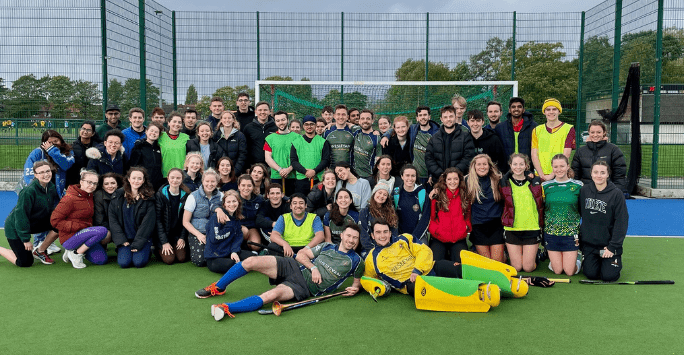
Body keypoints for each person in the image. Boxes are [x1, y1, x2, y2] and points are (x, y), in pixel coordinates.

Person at [195, 224, 363, 321]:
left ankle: (225, 308)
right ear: (342, 236)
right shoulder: (327, 246)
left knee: (269, 296)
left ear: (358, 240)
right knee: (250, 261)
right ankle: (218, 288)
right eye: (348, 236)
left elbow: (357, 284)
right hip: (294, 266)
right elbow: (302, 255)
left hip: (303, 287)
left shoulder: (356, 262)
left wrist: (355, 289)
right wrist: (313, 268)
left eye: (355, 238)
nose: (351, 240)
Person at [364, 219, 461, 295]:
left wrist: (417, 270)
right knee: (437, 288)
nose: (382, 235)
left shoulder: (404, 238)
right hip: (411, 283)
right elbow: (367, 278)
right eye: (378, 232)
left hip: (430, 268)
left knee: (459, 269)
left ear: (390, 233)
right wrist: (376, 285)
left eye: (385, 232)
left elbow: (424, 250)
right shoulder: (371, 258)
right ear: (372, 235)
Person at [1, 162, 59, 267]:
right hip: (15, 227)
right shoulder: (28, 192)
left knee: (60, 224)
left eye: (47, 171)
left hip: (34, 222)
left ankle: (40, 251)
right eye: (41, 172)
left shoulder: (51, 187)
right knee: (25, 262)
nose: (46, 174)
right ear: (35, 175)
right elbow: (21, 216)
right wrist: (25, 240)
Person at [579, 161, 628, 282]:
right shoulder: (584, 191)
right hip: (590, 245)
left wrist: (612, 247)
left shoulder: (616, 194)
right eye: (595, 172)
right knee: (591, 274)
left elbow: (621, 222)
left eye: (602, 172)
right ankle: (585, 257)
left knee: (608, 277)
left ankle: (613, 259)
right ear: (591, 174)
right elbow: (580, 213)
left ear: (608, 174)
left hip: (608, 245)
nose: (599, 175)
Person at [49, 169, 109, 268]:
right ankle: (76, 253)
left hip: (85, 235)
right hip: (69, 238)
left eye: (95, 183)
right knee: (102, 231)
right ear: (81, 182)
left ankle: (73, 252)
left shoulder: (89, 196)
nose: (92, 185)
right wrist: (79, 226)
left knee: (101, 260)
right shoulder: (69, 198)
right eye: (89, 182)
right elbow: (55, 220)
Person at [500, 153, 544, 272]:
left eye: (521, 164)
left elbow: (541, 203)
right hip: (512, 229)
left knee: (528, 268)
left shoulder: (534, 182)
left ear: (526, 166)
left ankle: (537, 255)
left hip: (531, 228)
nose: (518, 167)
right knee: (517, 268)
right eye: (515, 164)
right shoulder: (505, 183)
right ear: (510, 165)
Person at [542, 154, 583, 276]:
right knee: (558, 271)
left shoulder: (578, 186)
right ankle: (556, 260)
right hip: (551, 232)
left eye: (562, 166)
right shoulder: (545, 186)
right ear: (552, 168)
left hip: (571, 233)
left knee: (569, 272)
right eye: (556, 166)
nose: (559, 169)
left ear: (568, 166)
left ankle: (579, 258)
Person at [108, 167, 157, 268]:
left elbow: (148, 224)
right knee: (124, 263)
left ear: (143, 180)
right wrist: (121, 240)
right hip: (125, 239)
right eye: (134, 178)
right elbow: (113, 220)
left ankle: (147, 250)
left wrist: (139, 243)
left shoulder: (148, 198)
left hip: (142, 239)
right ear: (129, 179)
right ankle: (124, 251)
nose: (136, 181)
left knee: (138, 263)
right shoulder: (118, 195)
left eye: (139, 178)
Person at [466, 154, 505, 263]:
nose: (482, 167)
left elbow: (515, 176)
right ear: (474, 166)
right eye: (479, 164)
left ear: (489, 166)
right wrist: (435, 189)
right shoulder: (467, 180)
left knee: (497, 264)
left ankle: (504, 254)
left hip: (496, 225)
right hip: (479, 226)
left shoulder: (498, 179)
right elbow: (449, 182)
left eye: (485, 164)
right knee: (487, 265)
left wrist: (528, 173)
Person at [571, 120, 628, 194]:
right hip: (586, 191)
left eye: (598, 132)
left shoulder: (613, 150)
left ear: (604, 132)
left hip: (607, 192)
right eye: (592, 132)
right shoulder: (580, 151)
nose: (595, 135)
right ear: (589, 132)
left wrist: (616, 192)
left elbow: (619, 175)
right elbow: (575, 175)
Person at [204, 190, 254, 274]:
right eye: (228, 202)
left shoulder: (236, 217)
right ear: (224, 204)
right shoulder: (216, 217)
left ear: (238, 203)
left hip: (229, 252)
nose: (231, 204)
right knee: (233, 264)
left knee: (253, 258)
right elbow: (215, 238)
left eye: (234, 201)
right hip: (215, 256)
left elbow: (238, 237)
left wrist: (234, 251)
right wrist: (229, 225)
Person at [428, 168, 471, 263]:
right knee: (435, 264)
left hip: (458, 238)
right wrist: (435, 230)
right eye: (449, 179)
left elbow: (468, 214)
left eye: (455, 179)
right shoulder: (437, 195)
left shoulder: (464, 195)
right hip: (439, 237)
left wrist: (466, 227)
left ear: (460, 180)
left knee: (461, 265)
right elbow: (431, 217)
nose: (453, 182)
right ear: (445, 181)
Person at [183, 169, 224, 267]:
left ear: (217, 182)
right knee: (200, 261)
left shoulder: (221, 196)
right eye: (207, 181)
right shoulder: (193, 196)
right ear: (203, 181)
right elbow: (185, 222)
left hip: (216, 232)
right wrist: (199, 235)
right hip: (199, 232)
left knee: (220, 256)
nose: (210, 184)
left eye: (213, 181)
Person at [425, 105, 476, 181]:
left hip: (459, 180)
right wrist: (440, 174)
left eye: (451, 116)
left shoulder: (465, 137)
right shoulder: (434, 138)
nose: (448, 119)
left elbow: (468, 157)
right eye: (445, 117)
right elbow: (429, 159)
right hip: (440, 180)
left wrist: (454, 173)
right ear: (441, 119)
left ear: (455, 117)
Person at [267, 192, 325, 257]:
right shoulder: (283, 217)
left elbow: (320, 236)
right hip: (288, 249)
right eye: (295, 203)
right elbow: (274, 236)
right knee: (272, 246)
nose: (298, 206)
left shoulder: (314, 218)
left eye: (301, 203)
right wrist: (285, 244)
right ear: (291, 206)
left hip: (308, 248)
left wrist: (306, 248)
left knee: (322, 247)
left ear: (306, 205)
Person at [531, 98, 575, 181]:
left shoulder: (569, 129)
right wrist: (541, 175)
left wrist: (552, 174)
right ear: (544, 112)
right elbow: (534, 154)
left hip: (560, 174)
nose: (551, 112)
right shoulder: (537, 130)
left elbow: (567, 154)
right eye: (548, 109)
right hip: (540, 174)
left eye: (554, 109)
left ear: (559, 111)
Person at [24, 130, 75, 199]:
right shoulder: (37, 153)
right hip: (40, 192)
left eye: (56, 141)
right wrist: (35, 190)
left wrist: (52, 151)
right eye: (50, 143)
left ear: (61, 140)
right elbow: (28, 173)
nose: (53, 145)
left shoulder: (68, 151)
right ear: (44, 143)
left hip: (58, 192)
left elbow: (66, 165)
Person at [155, 168, 190, 265]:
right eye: (172, 178)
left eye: (178, 178)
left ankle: (176, 245)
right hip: (164, 235)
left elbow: (186, 219)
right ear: (168, 179)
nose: (175, 180)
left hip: (177, 235)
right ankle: (158, 249)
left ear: (182, 179)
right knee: (169, 260)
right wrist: (164, 242)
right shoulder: (160, 195)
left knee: (182, 258)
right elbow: (158, 221)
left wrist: (182, 237)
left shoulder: (186, 196)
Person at [291, 115, 331, 195]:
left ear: (315, 125)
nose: (309, 126)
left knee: (317, 203)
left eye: (312, 124)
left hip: (318, 179)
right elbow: (293, 161)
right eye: (306, 124)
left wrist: (314, 171)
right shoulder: (296, 142)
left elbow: (326, 160)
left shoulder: (323, 142)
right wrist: (305, 171)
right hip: (301, 179)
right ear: (303, 126)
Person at [494, 97, 538, 167]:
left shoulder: (534, 127)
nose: (516, 109)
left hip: (527, 169)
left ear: (523, 110)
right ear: (509, 110)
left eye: (519, 107)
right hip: (506, 170)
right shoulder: (500, 128)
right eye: (513, 107)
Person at [392, 164, 431, 243]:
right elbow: (392, 216)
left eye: (413, 176)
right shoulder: (396, 193)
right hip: (399, 235)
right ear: (402, 176)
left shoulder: (422, 194)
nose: (410, 178)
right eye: (407, 175)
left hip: (418, 235)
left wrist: (414, 238)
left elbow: (425, 219)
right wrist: (398, 236)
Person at [265, 111, 299, 194]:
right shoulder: (269, 138)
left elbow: (300, 156)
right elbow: (268, 158)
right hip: (276, 176)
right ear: (275, 122)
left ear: (287, 120)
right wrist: (280, 170)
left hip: (293, 176)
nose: (281, 122)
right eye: (278, 120)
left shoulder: (298, 137)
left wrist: (289, 169)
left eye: (283, 120)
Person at [359, 183, 398, 255]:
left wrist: (390, 248)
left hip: (388, 249)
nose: (381, 196)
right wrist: (375, 250)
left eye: (385, 194)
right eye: (379, 193)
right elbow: (363, 235)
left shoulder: (391, 212)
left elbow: (394, 233)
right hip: (370, 250)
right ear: (374, 193)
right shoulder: (365, 212)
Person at [467, 110, 507, 174]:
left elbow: (502, 160)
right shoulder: (465, 139)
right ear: (468, 123)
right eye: (472, 121)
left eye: (478, 121)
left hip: (490, 176)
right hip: (471, 177)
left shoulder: (493, 139)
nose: (475, 124)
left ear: (483, 122)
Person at [128, 122, 164, 191]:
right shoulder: (139, 146)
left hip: (157, 183)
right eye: (151, 131)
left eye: (156, 132)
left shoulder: (160, 147)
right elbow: (133, 165)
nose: (153, 133)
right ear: (146, 132)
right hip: (143, 183)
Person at [236, 174, 265, 252]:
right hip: (238, 225)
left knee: (255, 245)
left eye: (249, 185)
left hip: (252, 226)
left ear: (253, 187)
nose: (246, 188)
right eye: (243, 185)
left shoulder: (259, 198)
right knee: (244, 231)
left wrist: (285, 198)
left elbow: (269, 202)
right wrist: (218, 210)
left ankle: (249, 250)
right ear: (239, 187)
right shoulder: (234, 197)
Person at [213, 110, 247, 176]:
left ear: (233, 120)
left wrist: (236, 171)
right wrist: (217, 170)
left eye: (229, 118)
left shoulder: (240, 135)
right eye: (225, 118)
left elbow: (242, 155)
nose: (227, 120)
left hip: (235, 172)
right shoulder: (216, 135)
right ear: (221, 120)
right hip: (219, 172)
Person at [243, 101, 277, 166]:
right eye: (260, 110)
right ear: (256, 112)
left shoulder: (276, 127)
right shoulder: (248, 128)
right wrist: (247, 166)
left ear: (270, 111)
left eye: (265, 110)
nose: (262, 112)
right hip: (254, 166)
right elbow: (245, 148)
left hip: (274, 166)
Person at [93, 172, 122, 247]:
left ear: (117, 184)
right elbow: (100, 221)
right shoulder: (98, 196)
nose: (110, 186)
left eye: (113, 183)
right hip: (106, 228)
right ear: (102, 186)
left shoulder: (124, 194)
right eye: (106, 184)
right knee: (106, 235)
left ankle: (121, 247)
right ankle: (101, 246)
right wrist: (115, 231)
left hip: (121, 228)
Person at [158, 112, 190, 177]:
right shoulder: (161, 136)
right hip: (165, 174)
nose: (177, 124)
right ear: (169, 122)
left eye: (179, 122)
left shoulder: (186, 137)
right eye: (174, 121)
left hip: (181, 174)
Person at [66, 120, 97, 187]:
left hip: (92, 181)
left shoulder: (97, 147)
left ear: (93, 133)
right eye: (83, 129)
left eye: (88, 130)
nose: (85, 132)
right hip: (75, 181)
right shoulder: (72, 147)